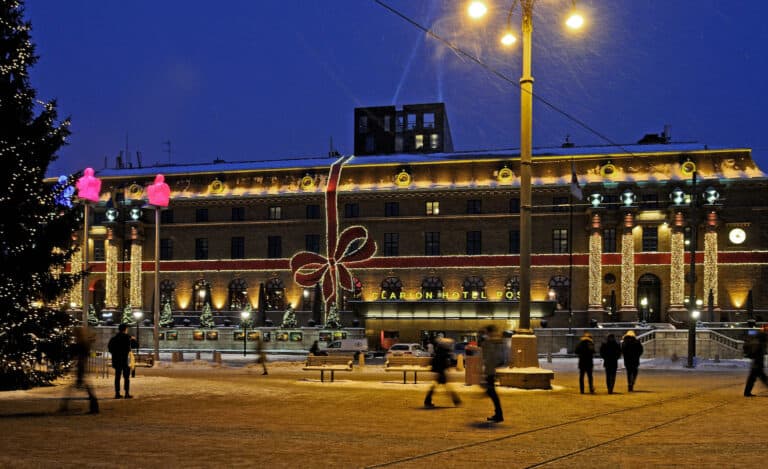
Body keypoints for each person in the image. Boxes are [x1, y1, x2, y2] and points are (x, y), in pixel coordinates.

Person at [60, 327, 99, 414]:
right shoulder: (83, 343)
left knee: (86, 388)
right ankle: (94, 407)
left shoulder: (81, 344)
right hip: (81, 368)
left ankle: (94, 407)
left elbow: (74, 352)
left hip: (81, 368)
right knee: (87, 388)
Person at [424, 337, 461, 408]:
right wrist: (448, 367)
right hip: (441, 371)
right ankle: (456, 400)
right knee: (445, 386)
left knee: (438, 386)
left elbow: (437, 360)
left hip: (439, 370)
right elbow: (445, 361)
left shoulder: (439, 351)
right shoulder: (444, 352)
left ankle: (427, 401)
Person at [481, 325, 504, 422]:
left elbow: (489, 358)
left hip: (490, 371)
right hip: (491, 370)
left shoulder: (490, 342)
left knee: (493, 394)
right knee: (492, 393)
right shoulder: (493, 341)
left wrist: (487, 372)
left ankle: (499, 415)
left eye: (486, 331)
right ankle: (498, 414)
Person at [108, 323, 133, 398]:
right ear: (125, 329)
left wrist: (115, 354)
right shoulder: (127, 338)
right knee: (126, 377)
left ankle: (117, 393)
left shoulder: (114, 338)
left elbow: (110, 348)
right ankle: (126, 393)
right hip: (124, 360)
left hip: (116, 360)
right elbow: (129, 349)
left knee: (117, 377)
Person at [743, 327, 768, 397]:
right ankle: (747, 392)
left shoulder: (757, 342)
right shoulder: (759, 344)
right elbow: (758, 354)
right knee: (762, 377)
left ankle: (747, 392)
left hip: (756, 363)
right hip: (757, 363)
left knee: (753, 378)